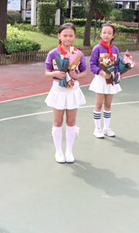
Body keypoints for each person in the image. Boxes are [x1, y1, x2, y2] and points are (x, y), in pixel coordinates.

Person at [45, 23, 87, 163]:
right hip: (58, 90)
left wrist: (76, 75)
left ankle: (69, 151)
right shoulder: (53, 53)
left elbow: (84, 72)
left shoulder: (78, 54)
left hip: (72, 91)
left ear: (75, 36)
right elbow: (47, 72)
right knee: (58, 122)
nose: (68, 38)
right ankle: (58, 151)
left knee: (71, 121)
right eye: (65, 35)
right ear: (59, 36)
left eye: (71, 35)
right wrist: (55, 74)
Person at [89, 23, 121, 138]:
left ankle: (106, 127)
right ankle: (97, 128)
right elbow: (92, 65)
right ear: (100, 34)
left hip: (110, 79)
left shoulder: (115, 49)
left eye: (109, 33)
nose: (106, 35)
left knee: (108, 104)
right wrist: (102, 73)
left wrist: (118, 73)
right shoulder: (97, 48)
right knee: (98, 104)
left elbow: (116, 65)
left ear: (113, 35)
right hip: (100, 79)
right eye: (104, 32)